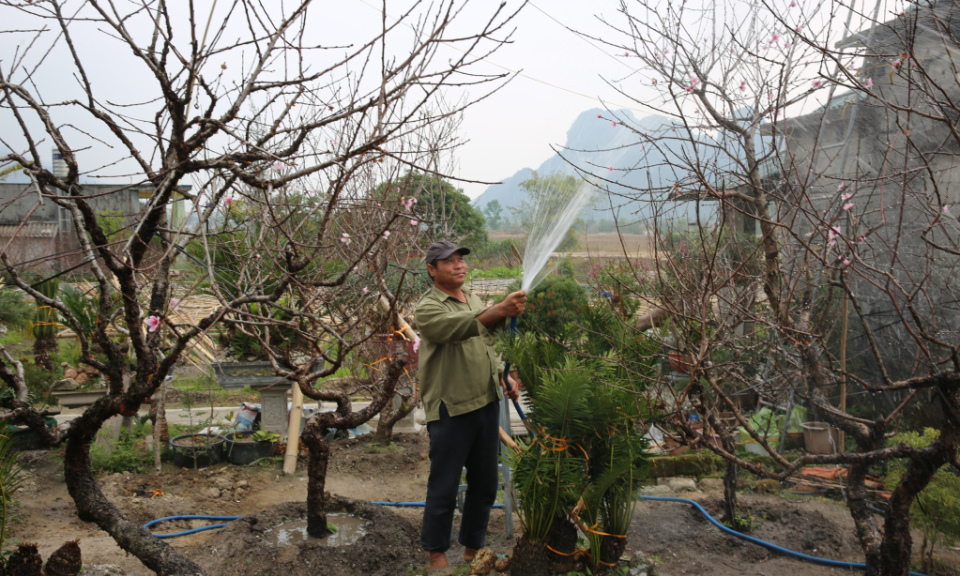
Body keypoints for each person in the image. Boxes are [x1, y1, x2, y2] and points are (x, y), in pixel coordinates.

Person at [415, 240, 527, 570]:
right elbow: (460, 329)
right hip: (451, 407)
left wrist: (502, 376)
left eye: (461, 260)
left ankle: (472, 548)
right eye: (448, 262)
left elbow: (486, 345)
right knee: (445, 485)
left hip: (485, 401)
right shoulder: (428, 308)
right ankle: (437, 554)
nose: (459, 265)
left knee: (485, 483)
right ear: (432, 270)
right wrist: (499, 310)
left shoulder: (473, 298)